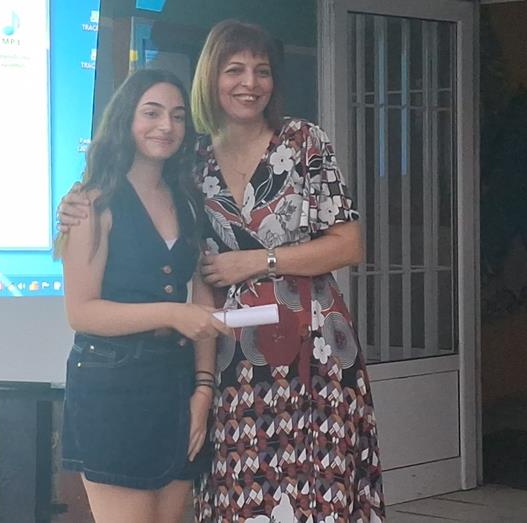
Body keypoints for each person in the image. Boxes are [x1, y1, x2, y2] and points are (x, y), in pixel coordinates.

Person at [59, 20, 385, 523]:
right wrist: (75, 201)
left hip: (312, 349)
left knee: (318, 492)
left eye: (262, 71)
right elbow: (134, 194)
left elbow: (349, 244)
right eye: (234, 69)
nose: (249, 83)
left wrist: (257, 260)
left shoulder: (303, 141)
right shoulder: (192, 158)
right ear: (211, 78)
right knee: (242, 490)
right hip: (231, 354)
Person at [56, 68, 231, 523]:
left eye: (177, 115)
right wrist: (172, 313)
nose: (166, 126)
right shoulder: (92, 202)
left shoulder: (187, 198)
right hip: (112, 388)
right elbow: (81, 313)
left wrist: (203, 389)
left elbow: (203, 300)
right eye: (151, 113)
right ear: (126, 119)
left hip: (175, 383)